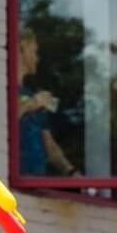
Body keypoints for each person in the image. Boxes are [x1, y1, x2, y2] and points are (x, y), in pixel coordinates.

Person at [16, 30, 78, 178]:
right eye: (35, 51)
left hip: (36, 182)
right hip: (14, 181)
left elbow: (49, 145)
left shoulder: (31, 95)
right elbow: (2, 123)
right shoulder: (4, 91)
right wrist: (32, 104)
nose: (37, 59)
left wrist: (71, 172)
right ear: (22, 48)